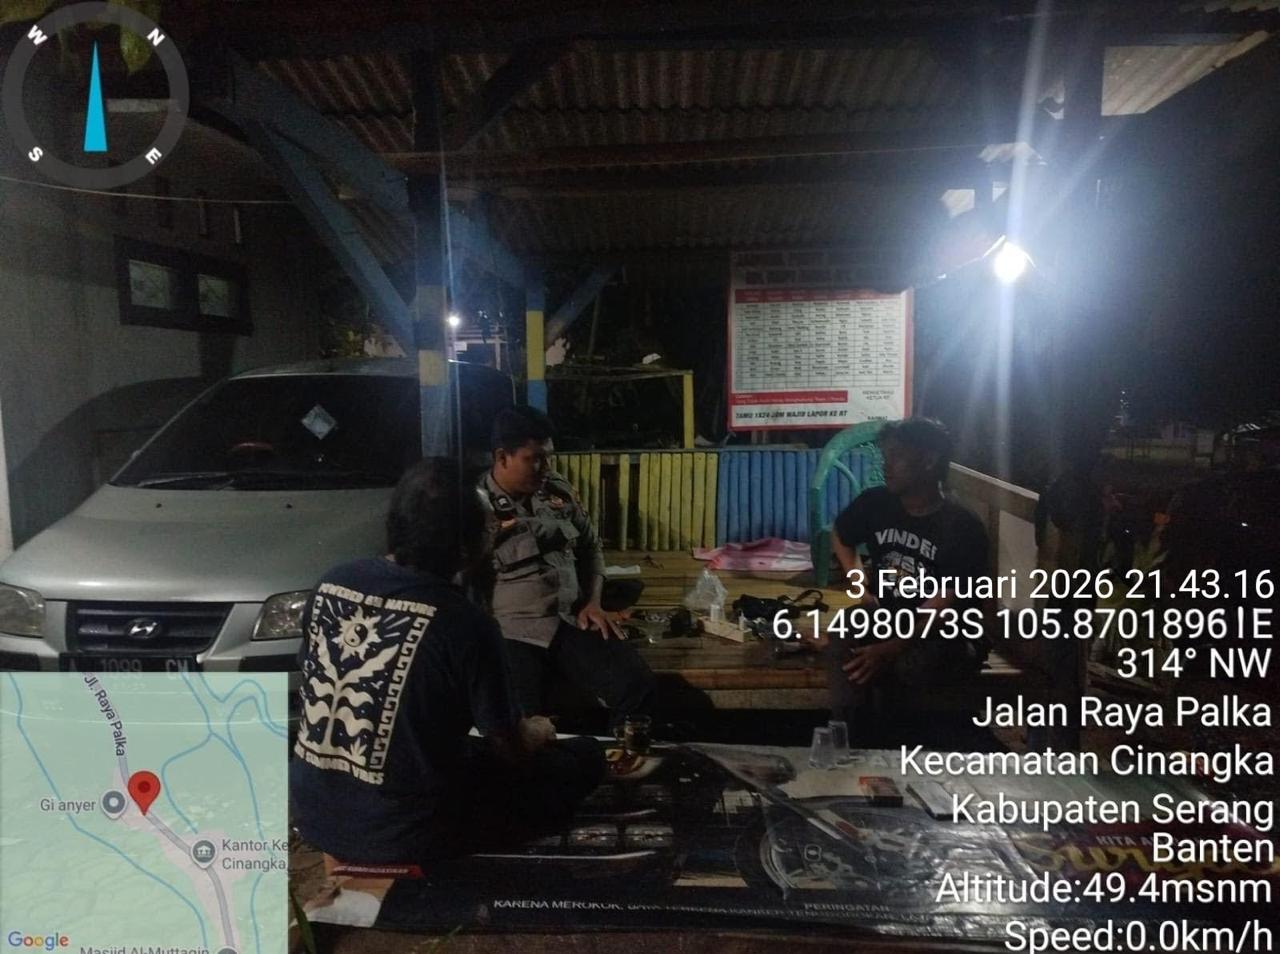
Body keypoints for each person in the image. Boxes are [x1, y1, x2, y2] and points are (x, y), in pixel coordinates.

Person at [290, 458, 605, 864]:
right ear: (466, 546)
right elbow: (511, 750)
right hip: (404, 830)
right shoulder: (463, 621)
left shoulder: (332, 583)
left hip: (315, 814)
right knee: (582, 758)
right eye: (487, 531)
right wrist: (538, 731)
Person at [480, 406, 655, 729]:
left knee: (636, 684)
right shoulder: (475, 506)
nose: (545, 467)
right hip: (512, 632)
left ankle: (621, 755)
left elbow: (590, 547)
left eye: (548, 457)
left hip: (570, 619)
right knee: (519, 719)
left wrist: (594, 602)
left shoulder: (556, 489)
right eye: (534, 459)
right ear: (502, 457)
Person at [826, 418, 990, 740]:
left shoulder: (962, 526)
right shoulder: (876, 503)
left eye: (897, 456)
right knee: (845, 630)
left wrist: (890, 648)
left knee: (911, 664)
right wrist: (861, 587)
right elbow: (841, 535)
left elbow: (941, 610)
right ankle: (850, 735)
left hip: (946, 633)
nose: (886, 465)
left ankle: (917, 741)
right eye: (886, 455)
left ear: (929, 460)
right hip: (893, 618)